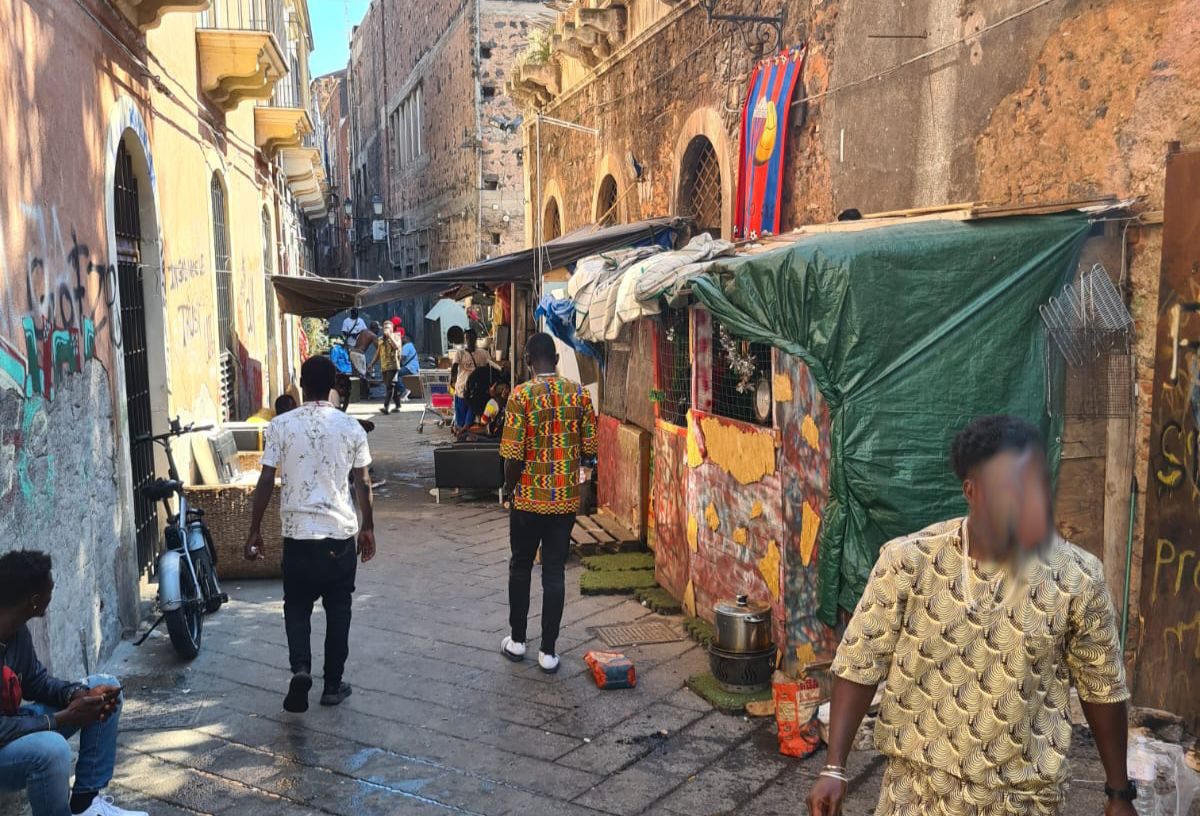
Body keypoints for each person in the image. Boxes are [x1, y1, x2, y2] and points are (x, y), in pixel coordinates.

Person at [807, 415, 1133, 816]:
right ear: (971, 491)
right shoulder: (909, 561)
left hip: (1024, 799)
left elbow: (1102, 687)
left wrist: (1119, 793)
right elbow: (859, 660)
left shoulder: (1077, 577)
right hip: (917, 794)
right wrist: (835, 768)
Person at [244, 355, 376, 713]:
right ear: (334, 385)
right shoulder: (351, 427)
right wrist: (368, 527)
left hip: (298, 536)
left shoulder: (281, 426)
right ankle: (332, 684)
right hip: (338, 535)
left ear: (302, 385)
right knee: (339, 608)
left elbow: (267, 480)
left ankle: (301, 668)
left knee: (297, 606)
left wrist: (255, 530)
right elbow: (362, 481)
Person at [0, 550, 145, 816]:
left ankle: (86, 804)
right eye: (50, 587)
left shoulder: (16, 630)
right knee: (53, 751)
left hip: (16, 725)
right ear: (34, 600)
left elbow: (36, 681)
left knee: (105, 688)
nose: (52, 591)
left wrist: (77, 694)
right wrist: (63, 718)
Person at [499, 333, 597, 674]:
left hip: (527, 500)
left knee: (520, 566)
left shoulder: (521, 396)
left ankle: (517, 640)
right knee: (554, 572)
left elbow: (512, 456)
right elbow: (590, 450)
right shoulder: (579, 394)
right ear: (556, 359)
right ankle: (549, 652)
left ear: (527, 361)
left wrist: (509, 489)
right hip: (564, 501)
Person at [449, 329, 494, 429]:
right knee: (461, 419)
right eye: (467, 338)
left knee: (469, 419)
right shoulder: (460, 353)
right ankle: (461, 435)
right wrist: (452, 380)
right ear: (465, 340)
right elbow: (454, 368)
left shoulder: (484, 354)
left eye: (471, 337)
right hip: (461, 390)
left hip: (475, 392)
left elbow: (491, 368)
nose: (469, 340)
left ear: (475, 339)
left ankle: (465, 435)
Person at [377, 321, 401, 414]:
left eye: (388, 327)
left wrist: (390, 336)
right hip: (384, 366)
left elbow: (396, 347)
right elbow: (378, 352)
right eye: (385, 327)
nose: (386, 329)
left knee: (389, 386)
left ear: (392, 328)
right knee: (390, 386)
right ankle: (398, 405)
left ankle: (386, 407)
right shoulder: (380, 339)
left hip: (393, 365)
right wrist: (371, 363)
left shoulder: (396, 336)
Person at [394, 327, 419, 402]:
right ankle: (400, 392)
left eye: (403, 338)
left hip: (410, 368)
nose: (401, 339)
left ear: (407, 338)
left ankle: (404, 390)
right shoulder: (410, 345)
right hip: (412, 367)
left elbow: (402, 358)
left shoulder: (407, 346)